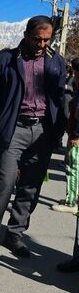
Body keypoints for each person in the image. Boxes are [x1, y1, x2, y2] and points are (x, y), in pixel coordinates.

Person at [0, 15, 67, 257]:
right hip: (14, 130)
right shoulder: (7, 59)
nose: (42, 44)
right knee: (3, 182)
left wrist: (58, 130)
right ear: (26, 35)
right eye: (37, 39)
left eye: (47, 40)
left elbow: (59, 99)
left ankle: (15, 233)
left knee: (31, 186)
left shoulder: (56, 62)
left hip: (43, 131)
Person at [52, 58, 79, 213]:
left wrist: (75, 135)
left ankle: (71, 203)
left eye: (76, 72)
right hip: (74, 133)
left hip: (76, 137)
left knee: (72, 168)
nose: (74, 75)